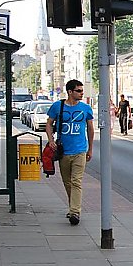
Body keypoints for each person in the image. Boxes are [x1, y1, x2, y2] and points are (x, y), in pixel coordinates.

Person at [45, 79, 94, 226]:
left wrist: (90, 149)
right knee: (67, 182)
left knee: (76, 181)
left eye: (82, 90)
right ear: (70, 92)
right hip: (63, 151)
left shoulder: (86, 108)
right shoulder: (57, 106)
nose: (81, 93)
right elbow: (49, 123)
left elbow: (90, 129)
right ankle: (73, 207)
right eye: (78, 91)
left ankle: (75, 212)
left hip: (80, 150)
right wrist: (50, 140)